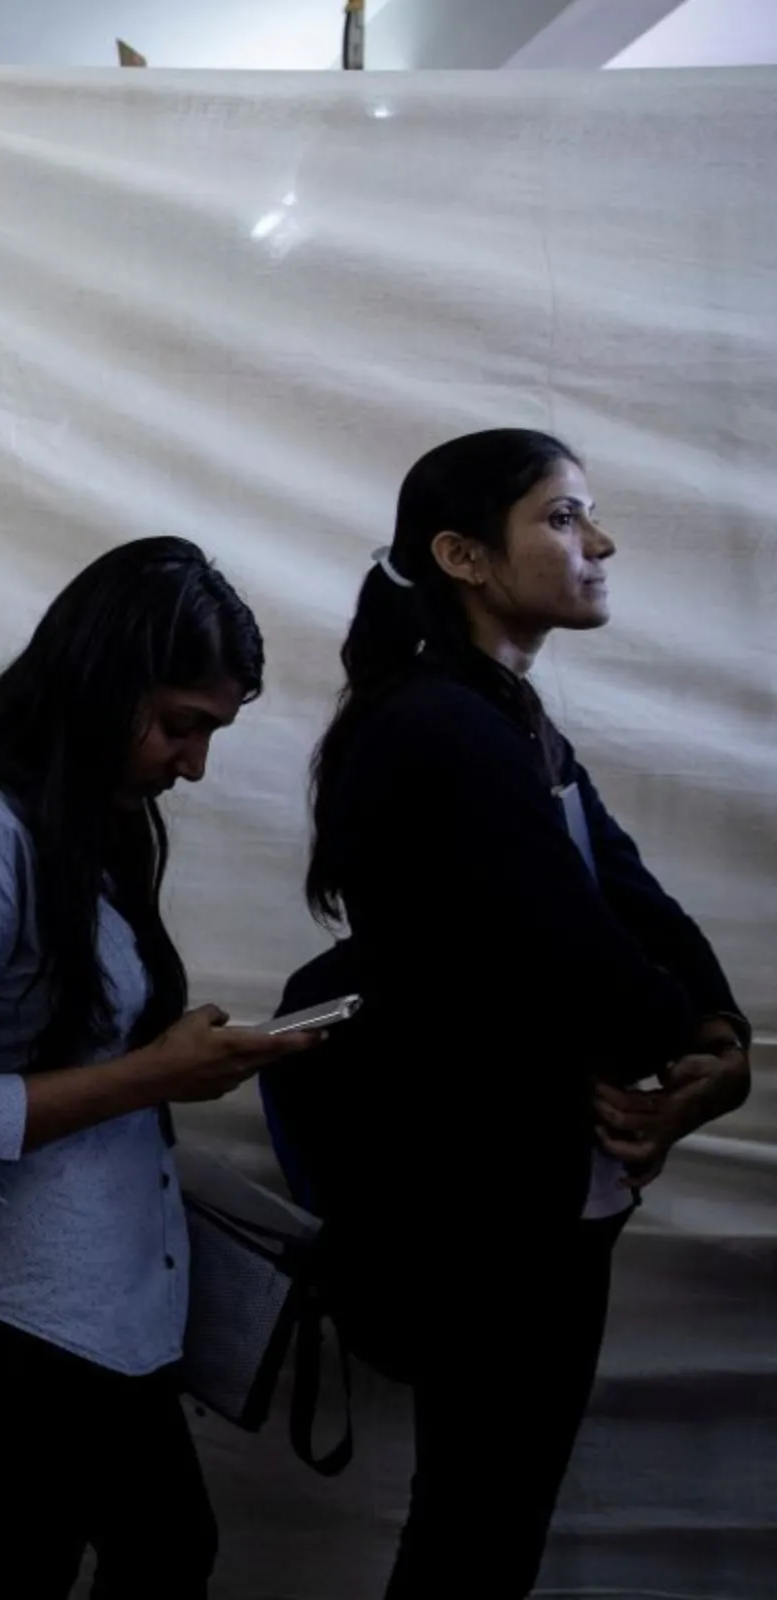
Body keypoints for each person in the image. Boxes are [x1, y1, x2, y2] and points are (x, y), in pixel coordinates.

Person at [298, 429, 750, 1597]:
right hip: (479, 1204)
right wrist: (686, 1047)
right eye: (561, 518)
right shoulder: (437, 724)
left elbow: (638, 903)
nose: (598, 544)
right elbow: (563, 937)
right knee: (475, 1533)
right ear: (463, 555)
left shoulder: (508, 717)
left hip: (534, 1195)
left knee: (487, 1524)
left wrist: (719, 1040)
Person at [0, 537, 313, 1600]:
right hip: (6, 1317)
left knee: (164, 1547)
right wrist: (155, 1071)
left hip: (89, 1304)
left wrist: (170, 1054)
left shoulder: (92, 824)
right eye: (181, 724)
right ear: (102, 685)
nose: (192, 763)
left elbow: (81, 1042)